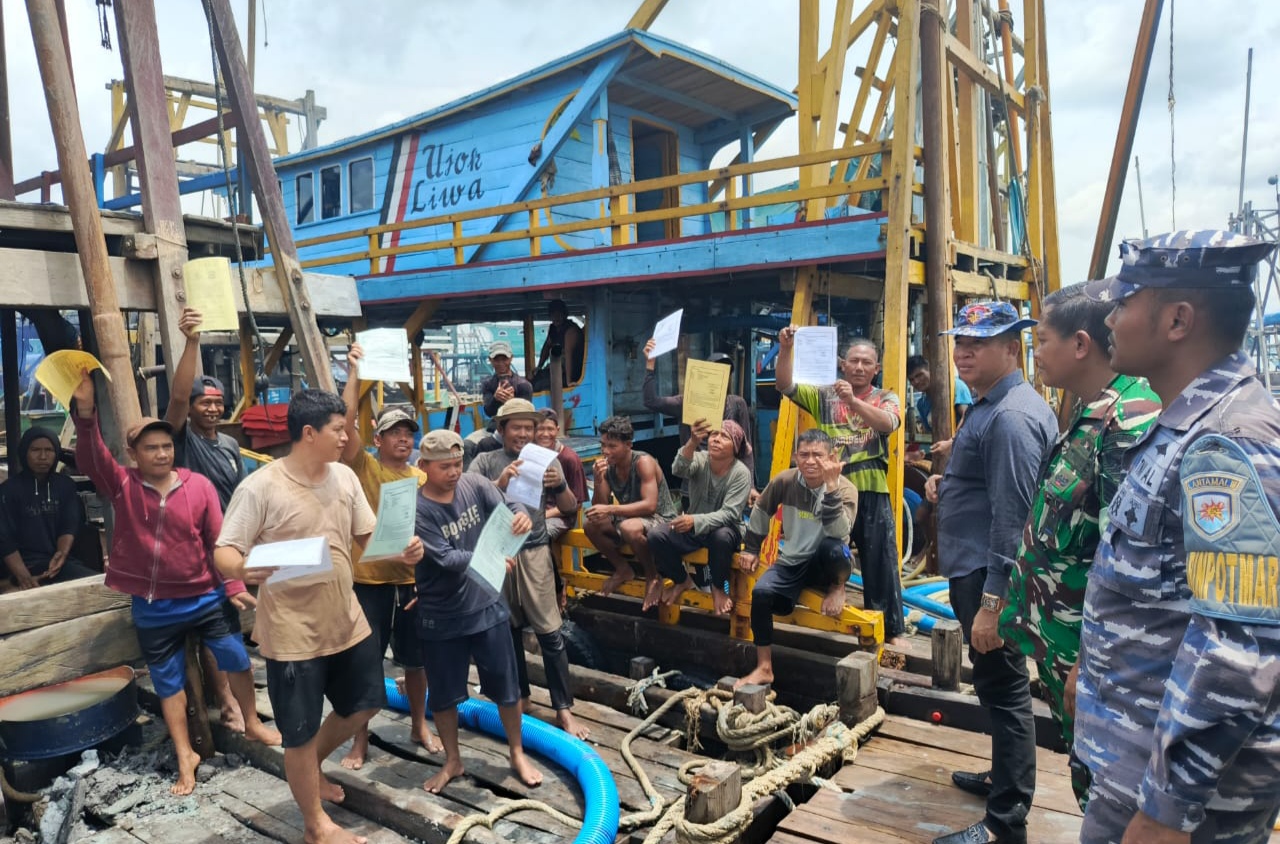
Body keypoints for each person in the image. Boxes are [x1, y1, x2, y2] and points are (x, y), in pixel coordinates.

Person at [1073, 231, 1280, 844]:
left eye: (1124, 302)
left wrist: (1168, 810)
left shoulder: (1229, 441)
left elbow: (1238, 646)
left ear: (1178, 320)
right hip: (1135, 760)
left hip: (1183, 801)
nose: (1110, 318)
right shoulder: (1185, 421)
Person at [215, 390, 422, 844]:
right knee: (299, 731)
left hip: (346, 620)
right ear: (309, 433)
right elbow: (224, 550)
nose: (346, 436)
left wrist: (405, 550)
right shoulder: (261, 487)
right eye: (338, 429)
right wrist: (243, 569)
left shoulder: (345, 479)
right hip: (294, 632)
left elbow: (368, 537)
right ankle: (315, 825)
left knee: (365, 703)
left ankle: (307, 770)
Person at [989, 284, 1158, 808]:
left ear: (1081, 344)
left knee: (1109, 794)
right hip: (1063, 649)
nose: (1035, 353)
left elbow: (1127, 558)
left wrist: (1090, 660)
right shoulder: (1090, 415)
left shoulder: (1125, 424)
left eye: (1041, 340)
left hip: (1092, 661)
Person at [71, 372, 279, 796]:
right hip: (154, 606)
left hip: (204, 595)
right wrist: (87, 414)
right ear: (134, 453)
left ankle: (252, 719)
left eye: (166, 446)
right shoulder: (123, 485)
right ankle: (186, 754)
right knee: (168, 685)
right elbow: (91, 459)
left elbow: (218, 541)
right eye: (151, 447)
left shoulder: (197, 485)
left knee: (236, 657)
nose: (162, 453)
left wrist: (234, 587)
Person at [924, 300, 1057, 844]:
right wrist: (948, 482)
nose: (963, 352)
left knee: (1004, 692)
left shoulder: (1010, 416)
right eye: (960, 342)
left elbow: (1014, 516)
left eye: (979, 343)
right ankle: (1004, 777)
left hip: (987, 575)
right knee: (995, 688)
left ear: (1012, 348)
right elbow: (987, 484)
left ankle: (1006, 824)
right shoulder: (989, 405)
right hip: (972, 566)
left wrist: (992, 604)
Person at [412, 428, 543, 794]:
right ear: (423, 467)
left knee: (506, 685)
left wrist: (520, 516)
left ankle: (516, 752)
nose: (453, 472)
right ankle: (452, 759)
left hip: (486, 604)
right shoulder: (419, 510)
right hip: (442, 613)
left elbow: (507, 503)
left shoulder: (474, 483)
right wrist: (491, 559)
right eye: (444, 467)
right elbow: (447, 558)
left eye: (456, 464)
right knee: (444, 694)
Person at [337, 344, 440, 770]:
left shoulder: (421, 476)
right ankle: (359, 739)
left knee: (417, 662)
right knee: (366, 663)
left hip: (411, 582)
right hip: (369, 582)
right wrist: (355, 374)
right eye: (395, 432)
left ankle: (419, 723)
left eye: (409, 433)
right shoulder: (363, 466)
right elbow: (343, 425)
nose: (404, 439)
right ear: (377, 439)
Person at [468, 399, 588, 740]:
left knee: (551, 633)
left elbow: (569, 508)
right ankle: (520, 698)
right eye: (515, 427)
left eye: (528, 427)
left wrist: (559, 485)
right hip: (498, 550)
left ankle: (563, 709)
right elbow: (467, 501)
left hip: (534, 550)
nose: (522, 433)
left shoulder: (545, 461)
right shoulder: (484, 461)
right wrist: (501, 482)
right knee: (508, 631)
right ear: (502, 429)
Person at [775, 331, 906, 643]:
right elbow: (784, 385)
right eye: (854, 361)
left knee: (880, 557)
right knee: (831, 546)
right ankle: (833, 592)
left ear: (876, 369)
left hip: (871, 485)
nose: (860, 366)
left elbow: (888, 424)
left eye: (867, 362)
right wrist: (785, 348)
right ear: (843, 365)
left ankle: (892, 628)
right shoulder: (823, 395)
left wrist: (853, 402)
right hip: (834, 487)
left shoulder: (887, 397)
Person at [163, 307, 253, 733]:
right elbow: (177, 399)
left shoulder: (231, 447)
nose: (213, 409)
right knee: (211, 625)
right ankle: (226, 702)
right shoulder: (182, 440)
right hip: (192, 547)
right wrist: (192, 342)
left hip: (228, 542)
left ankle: (235, 698)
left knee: (228, 625)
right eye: (205, 402)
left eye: (218, 402)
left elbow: (240, 496)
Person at [735, 429, 857, 688]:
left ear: (831, 457)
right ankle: (764, 667)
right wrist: (752, 548)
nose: (811, 461)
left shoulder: (846, 489)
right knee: (761, 594)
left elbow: (840, 534)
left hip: (827, 563)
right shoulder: (785, 481)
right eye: (804, 455)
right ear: (795, 457)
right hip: (792, 561)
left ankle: (838, 587)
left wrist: (832, 488)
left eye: (818, 455)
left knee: (835, 549)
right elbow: (760, 510)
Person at [646, 419, 752, 615]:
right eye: (714, 435)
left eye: (724, 437)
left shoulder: (741, 473)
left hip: (726, 529)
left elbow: (729, 514)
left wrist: (694, 520)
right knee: (655, 535)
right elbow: (678, 469)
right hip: (693, 527)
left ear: (735, 446)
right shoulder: (700, 458)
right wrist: (692, 442)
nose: (716, 440)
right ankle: (681, 579)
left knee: (721, 537)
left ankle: (718, 587)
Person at [583, 415, 678, 610]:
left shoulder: (643, 462)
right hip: (629, 518)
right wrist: (599, 480)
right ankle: (622, 568)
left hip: (660, 519)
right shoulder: (608, 467)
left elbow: (650, 506)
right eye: (603, 445)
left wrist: (610, 508)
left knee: (629, 527)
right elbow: (598, 506)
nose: (605, 451)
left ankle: (653, 576)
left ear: (628, 445)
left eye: (611, 446)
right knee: (590, 524)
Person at [0, 426, 95, 587]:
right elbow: (4, 537)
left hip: (58, 563)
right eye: (35, 450)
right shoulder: (8, 490)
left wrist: (61, 554)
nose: (43, 456)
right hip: (23, 565)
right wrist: (23, 576)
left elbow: (69, 525)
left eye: (49, 450)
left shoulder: (65, 485)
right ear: (25, 452)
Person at [641, 338, 754, 450]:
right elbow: (651, 401)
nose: (720, 377)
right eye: (715, 371)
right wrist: (650, 366)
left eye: (725, 372)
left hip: (725, 466)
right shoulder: (686, 403)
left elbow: (746, 445)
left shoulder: (737, 404)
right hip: (695, 465)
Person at [533, 408, 588, 542]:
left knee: (539, 533)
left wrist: (544, 515)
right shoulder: (531, 453)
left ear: (557, 430)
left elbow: (578, 503)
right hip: (534, 512)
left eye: (550, 429)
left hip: (560, 516)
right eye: (540, 429)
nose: (545, 434)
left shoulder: (569, 458)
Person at [906, 353, 972, 457]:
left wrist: (951, 443)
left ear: (930, 369)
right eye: (912, 379)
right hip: (943, 454)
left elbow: (968, 416)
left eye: (919, 375)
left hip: (965, 450)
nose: (916, 381)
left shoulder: (955, 386)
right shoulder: (921, 404)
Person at [536, 299, 584, 386]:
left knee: (541, 385)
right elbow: (546, 347)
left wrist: (569, 381)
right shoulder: (553, 329)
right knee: (535, 379)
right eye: (553, 314)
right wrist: (539, 367)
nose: (556, 317)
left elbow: (569, 355)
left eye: (559, 314)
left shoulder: (571, 330)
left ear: (565, 314)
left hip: (572, 372)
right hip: (559, 370)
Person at [480, 341, 533, 420]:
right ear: (490, 360)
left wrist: (512, 402)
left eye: (504, 359)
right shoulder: (488, 384)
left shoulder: (524, 385)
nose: (501, 363)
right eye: (497, 360)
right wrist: (495, 399)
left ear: (511, 358)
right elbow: (489, 412)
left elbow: (525, 414)